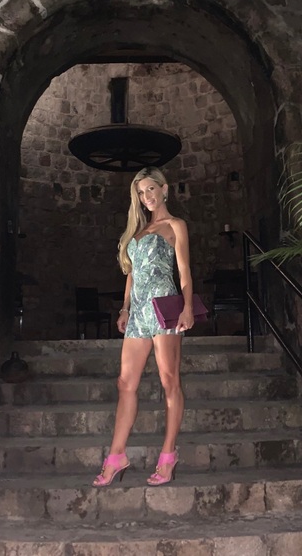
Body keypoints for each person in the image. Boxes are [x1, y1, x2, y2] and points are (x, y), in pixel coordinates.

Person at [92, 166, 195, 488]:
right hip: (138, 313)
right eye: (140, 192)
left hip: (165, 309)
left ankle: (168, 455)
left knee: (169, 380)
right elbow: (132, 275)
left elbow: (184, 271)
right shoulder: (137, 232)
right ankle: (117, 456)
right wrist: (124, 308)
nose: (146, 196)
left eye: (151, 189)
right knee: (125, 382)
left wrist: (187, 307)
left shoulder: (175, 225)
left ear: (165, 189)